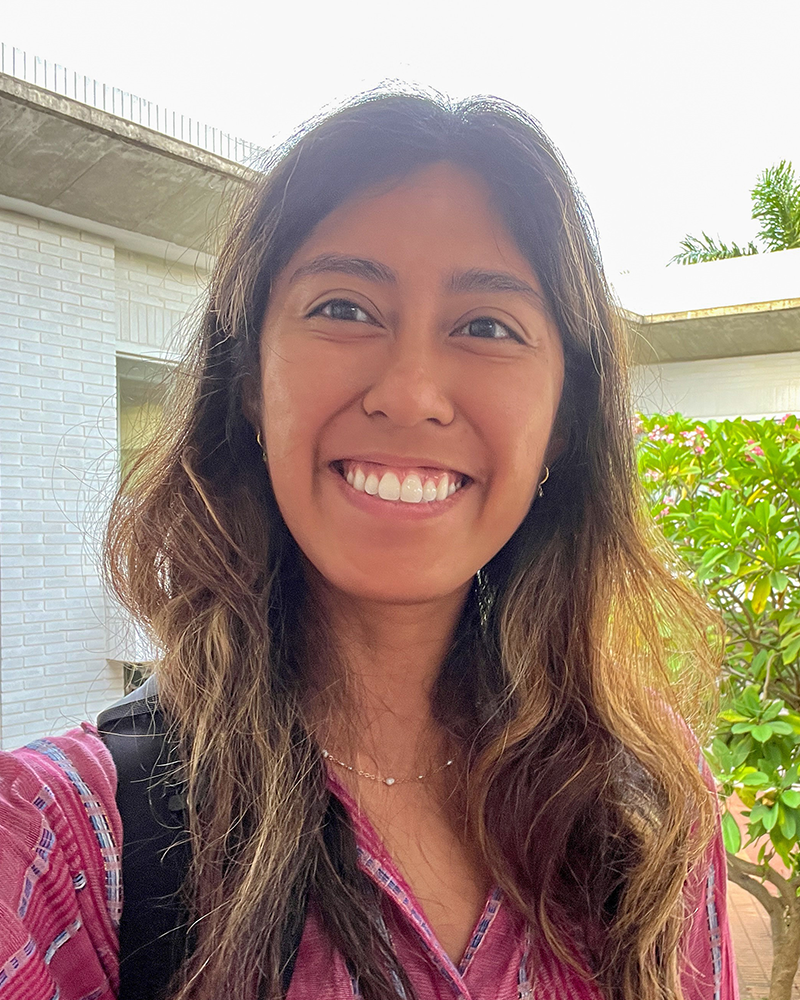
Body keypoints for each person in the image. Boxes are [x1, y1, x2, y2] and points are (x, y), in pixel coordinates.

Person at [0, 89, 737, 1000]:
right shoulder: (59, 846)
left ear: (563, 423)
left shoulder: (649, 812)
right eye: (344, 308)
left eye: (487, 326)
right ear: (248, 384)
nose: (411, 391)